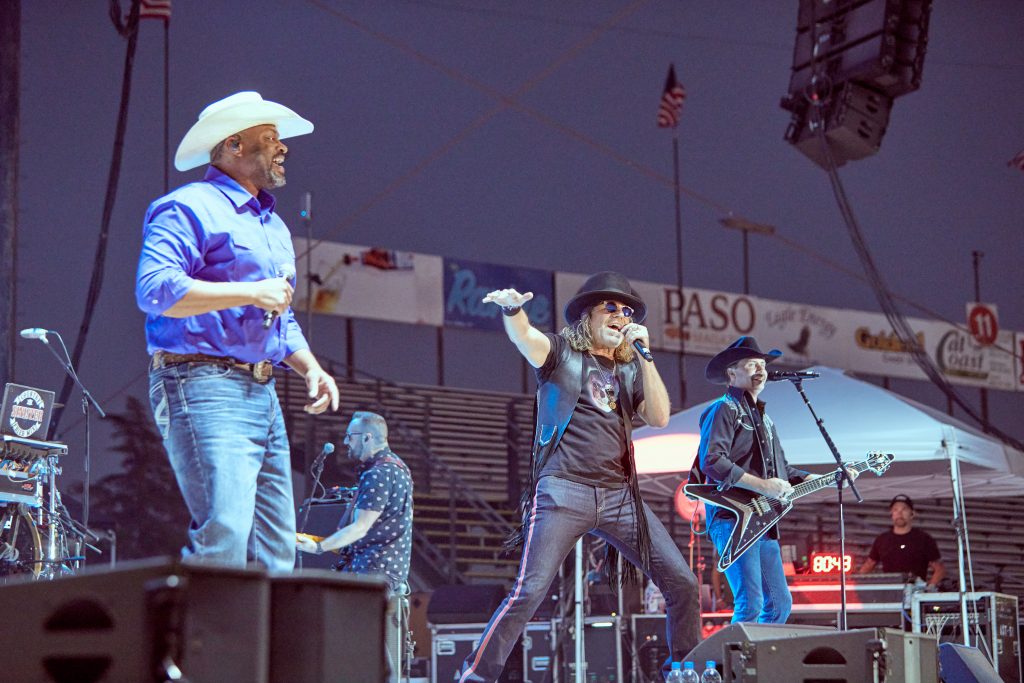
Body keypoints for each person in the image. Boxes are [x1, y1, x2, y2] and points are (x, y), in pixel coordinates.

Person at [458, 271, 701, 683]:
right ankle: (477, 675)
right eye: (610, 307)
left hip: (620, 497)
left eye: (627, 311)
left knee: (683, 583)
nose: (620, 316)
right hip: (563, 489)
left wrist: (645, 354)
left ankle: (685, 670)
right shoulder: (562, 354)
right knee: (530, 590)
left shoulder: (628, 370)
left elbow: (658, 417)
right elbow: (525, 339)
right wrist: (514, 310)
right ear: (587, 317)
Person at [136, 91, 339, 571]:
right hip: (201, 384)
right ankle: (199, 647)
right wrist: (251, 292)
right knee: (225, 530)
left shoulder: (274, 225)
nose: (282, 147)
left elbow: (279, 313)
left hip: (261, 393)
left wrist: (311, 368)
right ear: (234, 146)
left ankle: (261, 648)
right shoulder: (186, 207)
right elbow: (155, 289)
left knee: (276, 549)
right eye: (269, 138)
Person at [691, 336, 857, 624]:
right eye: (751, 364)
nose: (760, 369)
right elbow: (713, 462)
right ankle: (735, 667)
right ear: (732, 373)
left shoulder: (766, 420)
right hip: (733, 519)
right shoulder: (723, 409)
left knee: (780, 604)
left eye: (762, 364)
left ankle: (758, 663)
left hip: (763, 523)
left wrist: (830, 478)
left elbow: (784, 472)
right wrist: (764, 486)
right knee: (750, 603)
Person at [297, 411, 413, 592]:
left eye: (349, 437)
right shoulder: (396, 466)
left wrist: (318, 547)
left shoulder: (378, 473)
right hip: (381, 569)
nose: (345, 442)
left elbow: (360, 527)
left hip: (374, 570)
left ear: (367, 438)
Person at [859, 494, 945, 588]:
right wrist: (855, 586)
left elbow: (939, 569)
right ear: (891, 514)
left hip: (915, 594)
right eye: (895, 509)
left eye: (904, 509)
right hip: (889, 594)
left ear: (912, 514)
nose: (899, 513)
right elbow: (869, 565)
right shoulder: (882, 540)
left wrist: (928, 589)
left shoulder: (924, 539)